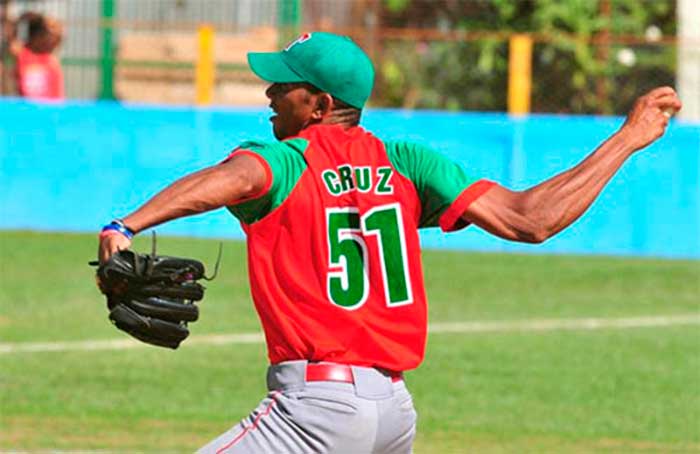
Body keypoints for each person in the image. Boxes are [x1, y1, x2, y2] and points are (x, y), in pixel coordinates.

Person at [97, 32, 681, 453]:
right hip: (392, 418)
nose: (270, 92)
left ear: (321, 106)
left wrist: (126, 226)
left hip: (317, 414)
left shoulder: (283, 160)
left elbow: (231, 180)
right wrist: (627, 139)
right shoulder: (406, 165)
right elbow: (531, 220)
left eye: (286, 85)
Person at [11, 11, 64, 100]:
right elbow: (17, 24)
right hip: (27, 109)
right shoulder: (21, 54)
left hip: (49, 109)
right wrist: (34, 18)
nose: (51, 39)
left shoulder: (51, 60)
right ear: (35, 36)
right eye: (45, 35)